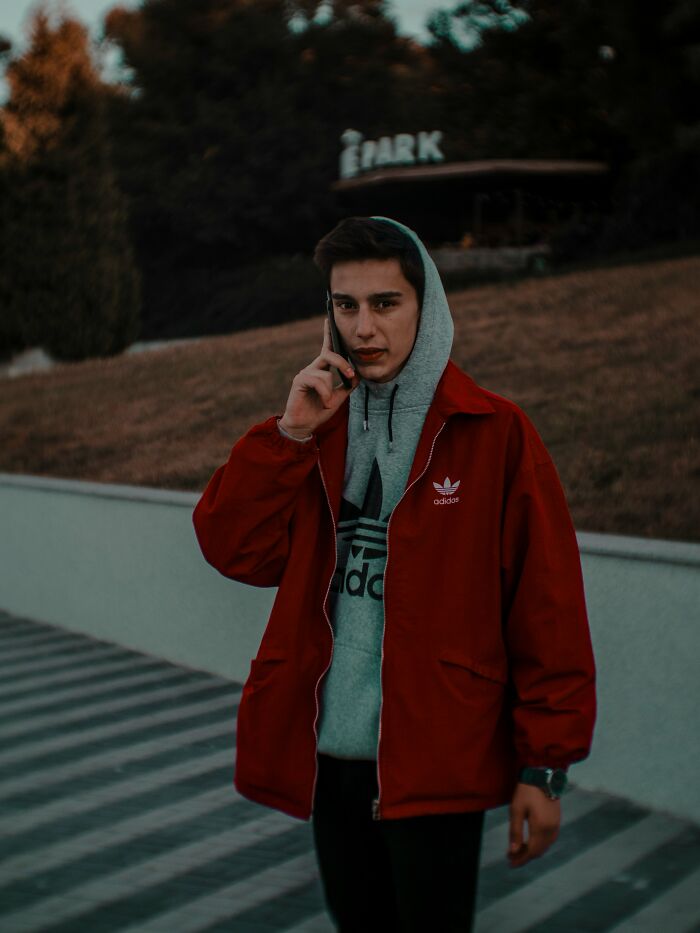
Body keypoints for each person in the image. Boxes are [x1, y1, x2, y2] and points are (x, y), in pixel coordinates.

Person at [192, 216, 597, 932]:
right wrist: (289, 433)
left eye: (385, 303)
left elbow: (547, 608)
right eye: (345, 305)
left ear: (425, 305)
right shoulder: (315, 430)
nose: (364, 327)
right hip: (331, 754)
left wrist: (546, 767)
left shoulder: (494, 432)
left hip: (436, 759)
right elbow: (233, 549)